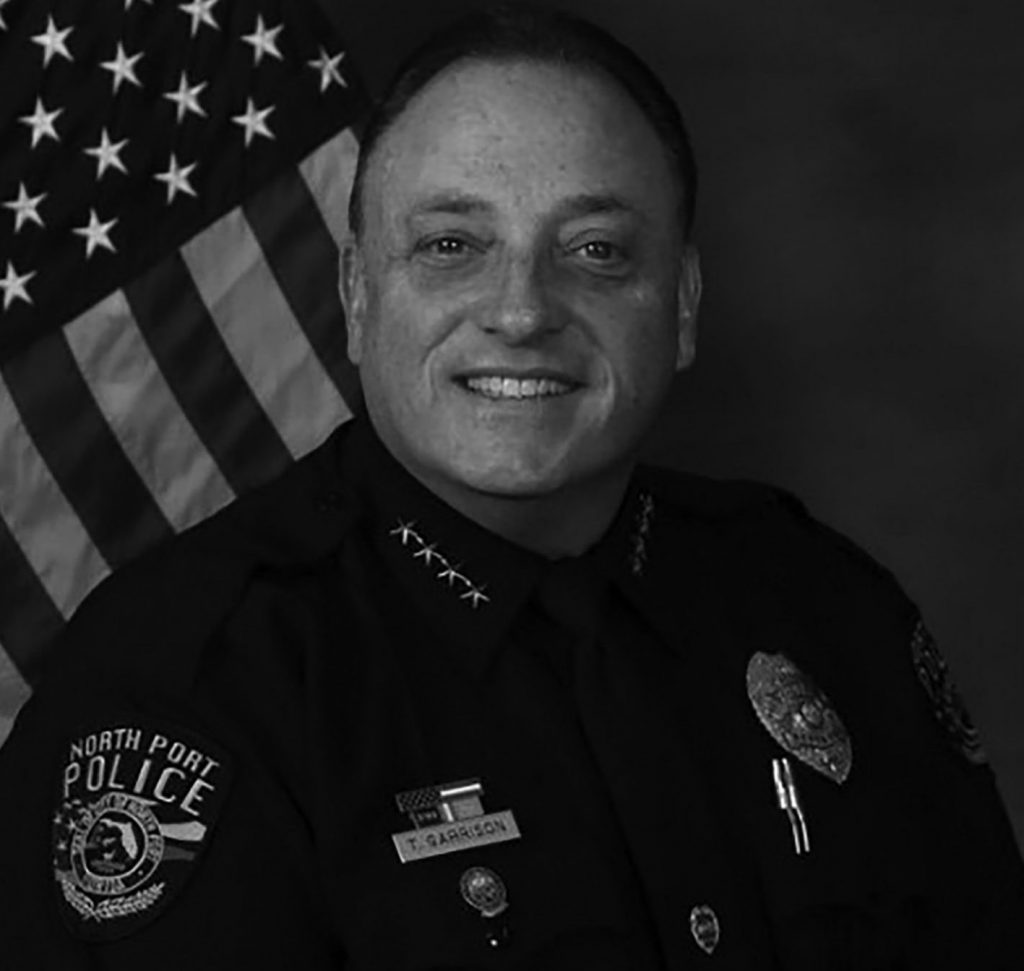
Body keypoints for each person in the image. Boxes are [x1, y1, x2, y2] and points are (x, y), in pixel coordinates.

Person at [0, 4, 1021, 968]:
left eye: (595, 250)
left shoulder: (823, 605)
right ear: (357, 295)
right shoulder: (193, 687)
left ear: (681, 305)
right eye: (451, 246)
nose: (523, 311)